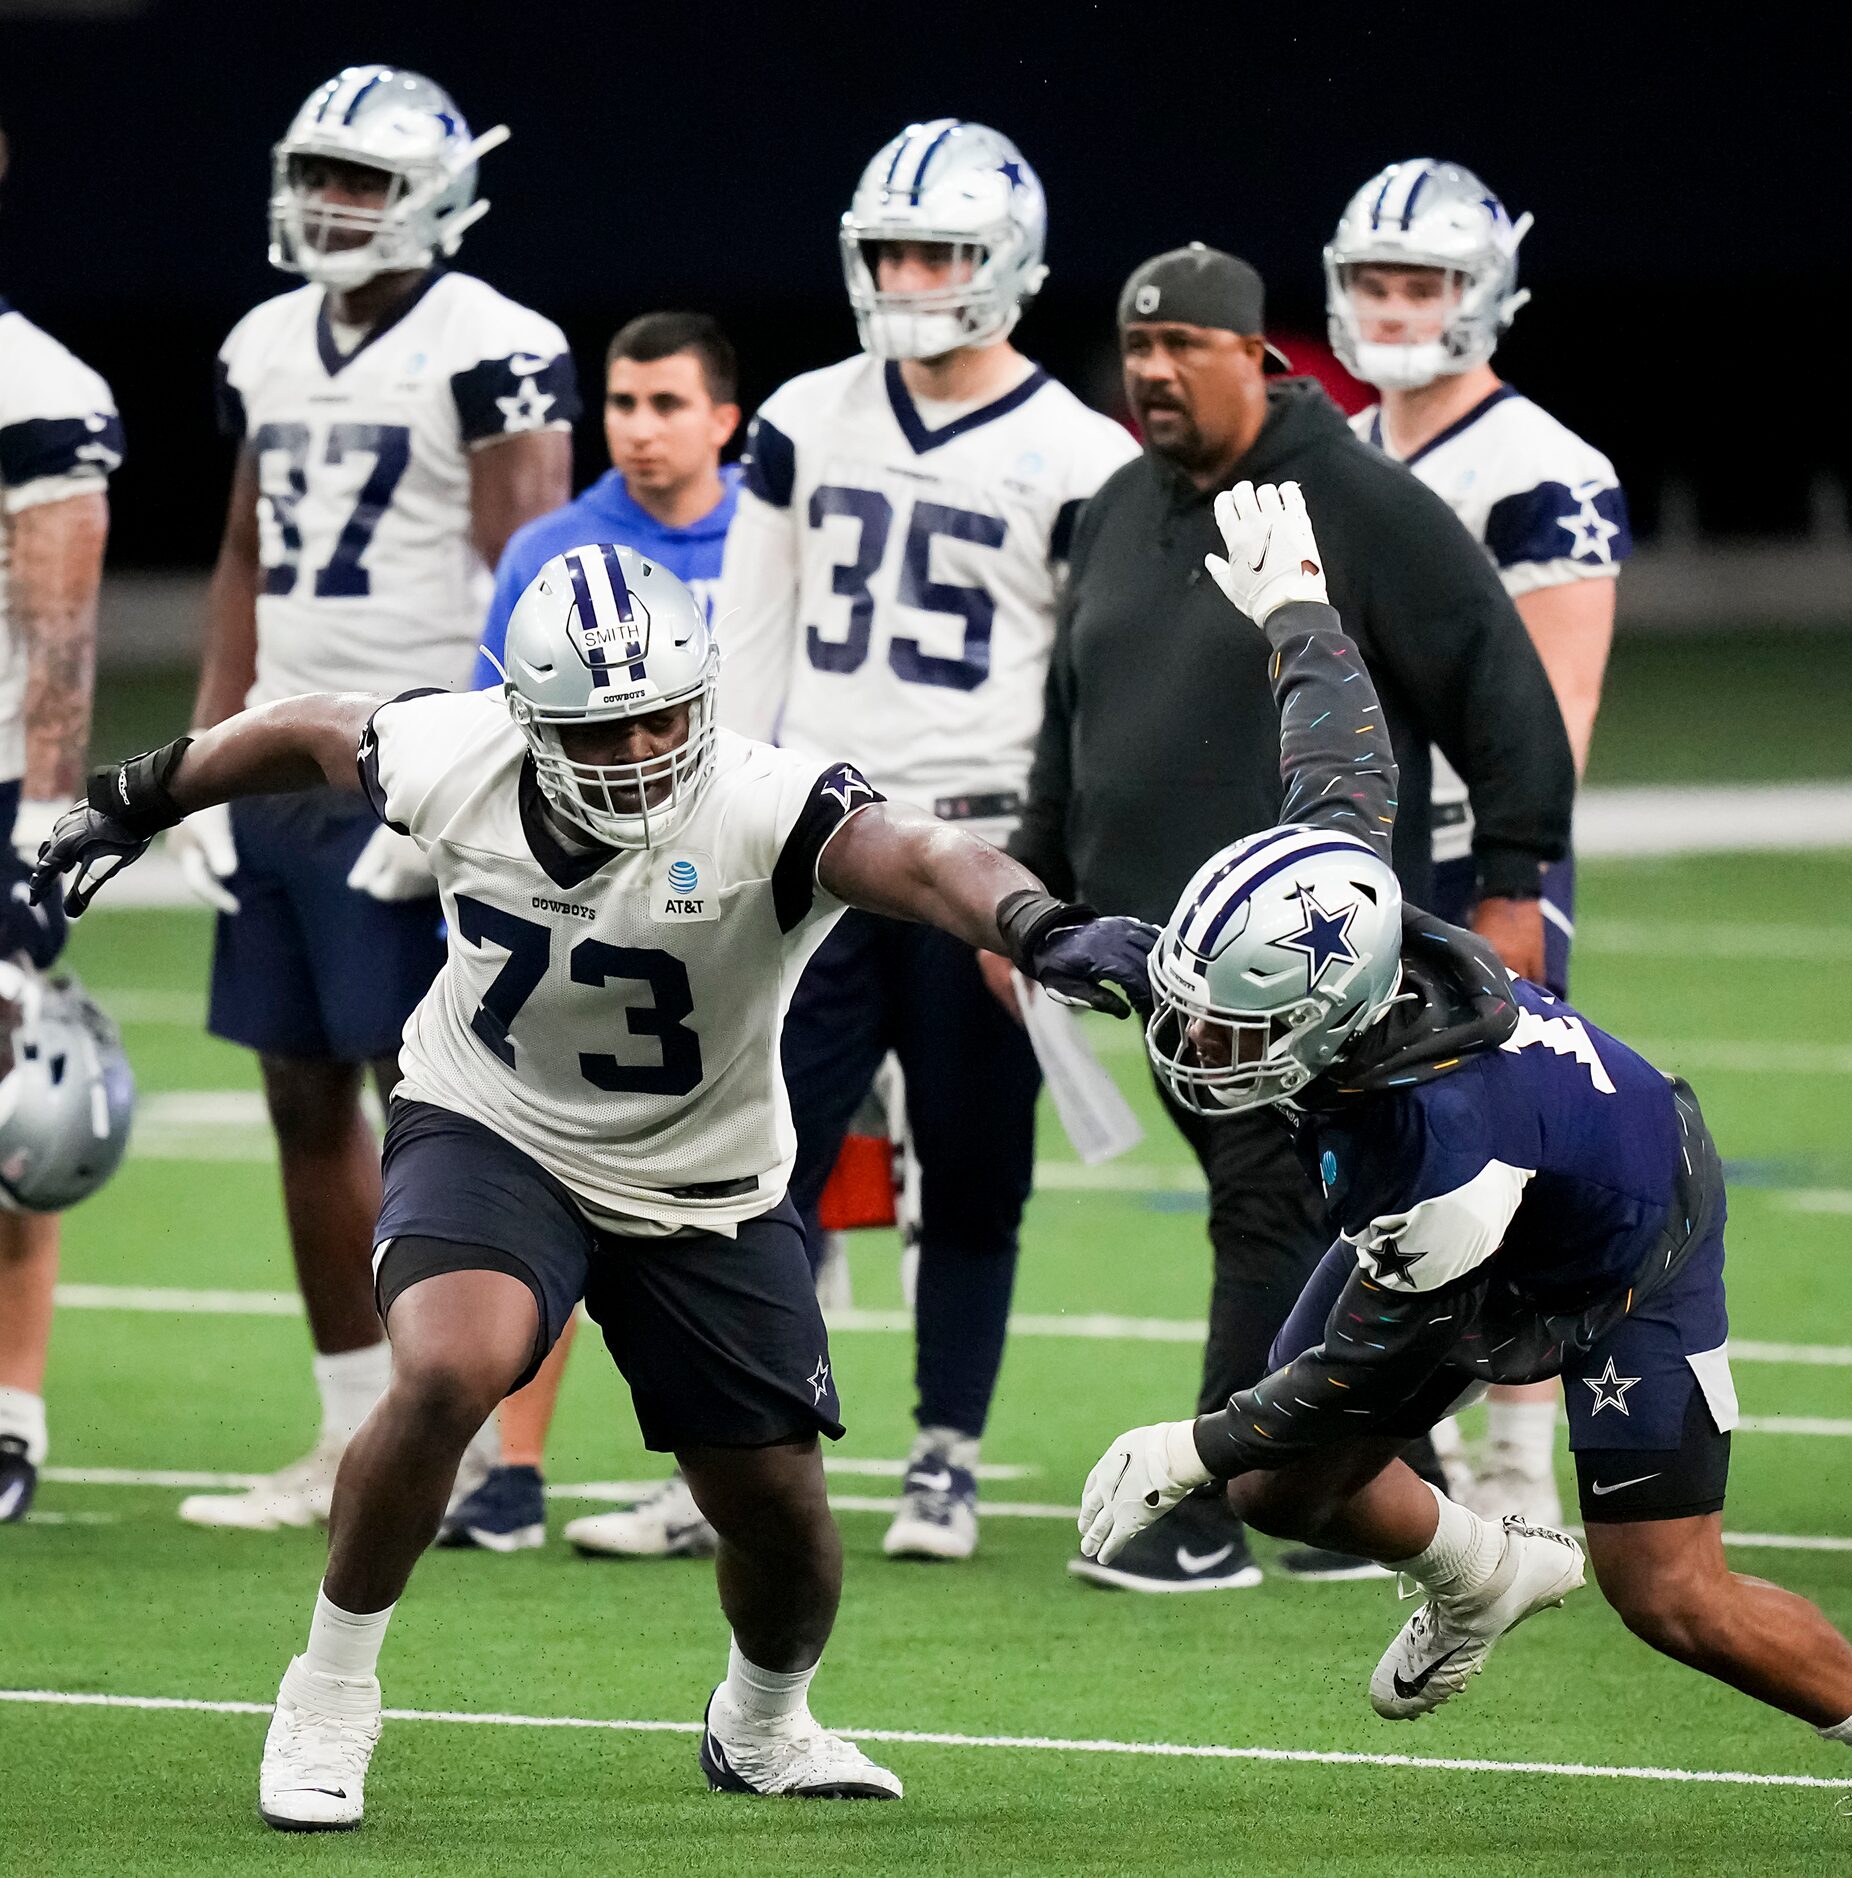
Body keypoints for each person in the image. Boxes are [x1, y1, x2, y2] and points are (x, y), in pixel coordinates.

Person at [31, 545, 1157, 1829]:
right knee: (455, 1363)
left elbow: (921, 849)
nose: (634, 752)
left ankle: (764, 1723)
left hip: (704, 1175)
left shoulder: (765, 803)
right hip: (491, 1120)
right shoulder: (460, 755)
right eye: (598, 727)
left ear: (707, 696)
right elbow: (300, 731)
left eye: (660, 718)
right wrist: (137, 795)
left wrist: (1038, 926)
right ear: (526, 718)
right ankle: (329, 1691)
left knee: (780, 1515)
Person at [1078, 481, 1852, 1861]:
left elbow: (1365, 1362)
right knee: (1288, 1488)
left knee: (1666, 1590)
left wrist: (1192, 1443)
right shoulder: (1344, 918)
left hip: (1621, 1246)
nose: (1201, 1046)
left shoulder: (1432, 1145)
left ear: (1325, 1016)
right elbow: (1339, 741)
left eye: (1235, 1022)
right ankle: (1480, 1577)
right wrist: (1293, 607)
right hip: (1483, 1202)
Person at [1013, 243, 1572, 1590]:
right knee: (1289, 1205)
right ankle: (1378, 1490)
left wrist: (1512, 882)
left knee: (1271, 1205)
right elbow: (1070, 716)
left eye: (1181, 348)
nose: (1151, 372)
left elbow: (1503, 692)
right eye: (1137, 348)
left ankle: (1202, 1508)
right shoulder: (1112, 507)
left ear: (1251, 353)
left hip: (1303, 961)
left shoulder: (1359, 501)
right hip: (1157, 955)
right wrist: (1031, 895)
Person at [691, 118, 1135, 1567]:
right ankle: (751, 1436)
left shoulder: (1083, 452)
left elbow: (1093, 687)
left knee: (969, 1161)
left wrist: (1054, 893)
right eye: (890, 250)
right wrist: (721, 822)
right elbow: (746, 637)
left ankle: (945, 1451)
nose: (909, 276)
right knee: (764, 1158)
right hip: (818, 840)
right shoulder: (808, 414)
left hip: (979, 859)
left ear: (1005, 261)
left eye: (939, 250)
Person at [168, 66, 576, 1532]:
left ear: (437, 192)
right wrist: (204, 761)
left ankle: (454, 1431)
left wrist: (476, 783)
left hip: (414, 763)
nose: (328, 203)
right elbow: (240, 554)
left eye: (360, 178)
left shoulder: (497, 346)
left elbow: (530, 580)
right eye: (317, 174)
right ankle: (351, 1429)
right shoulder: (265, 339)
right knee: (295, 1089)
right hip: (279, 756)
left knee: (435, 1104)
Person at [1329, 160, 1632, 1530]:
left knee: (1515, 1141)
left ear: (1485, 293)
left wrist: (1512, 872)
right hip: (1357, 855)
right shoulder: (1344, 453)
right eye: (1374, 282)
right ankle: (1414, 1445)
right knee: (1373, 1144)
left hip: (1474, 850)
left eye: (1423, 283)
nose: (1394, 310)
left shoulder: (1543, 467)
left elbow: (1553, 709)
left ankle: (1519, 1453)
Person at [438, 309, 745, 1554]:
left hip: (738, 909)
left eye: (667, 402)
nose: (640, 427)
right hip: (579, 907)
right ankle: (514, 1465)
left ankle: (738, 1458)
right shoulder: (553, 546)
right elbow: (481, 733)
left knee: (765, 1185)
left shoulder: (772, 533)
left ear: (726, 416)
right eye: (622, 403)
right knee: (545, 1152)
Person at [0, 111, 126, 1518]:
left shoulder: (34, 384)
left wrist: (40, 832)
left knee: (10, 1120)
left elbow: (63, 643)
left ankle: (9, 1416)